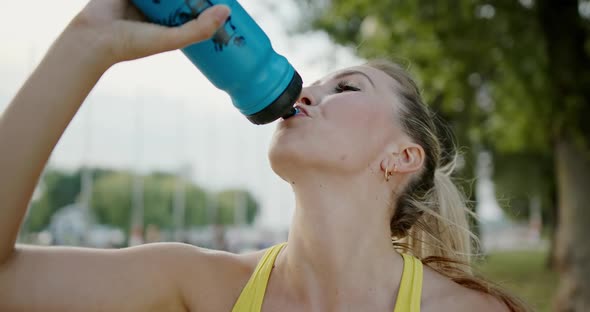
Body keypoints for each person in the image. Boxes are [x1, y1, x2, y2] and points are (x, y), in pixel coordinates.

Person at [0, 1, 528, 311]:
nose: (306, 94)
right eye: (314, 85)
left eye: (345, 89)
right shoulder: (199, 286)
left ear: (402, 156)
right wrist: (88, 42)